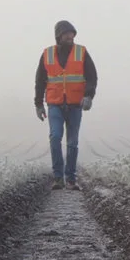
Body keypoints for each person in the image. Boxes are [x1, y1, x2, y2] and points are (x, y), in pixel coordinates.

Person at [34, 19, 97, 190]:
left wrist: (89, 96)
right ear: (58, 36)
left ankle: (70, 179)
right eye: (67, 34)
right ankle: (57, 178)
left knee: (72, 142)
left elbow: (92, 76)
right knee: (55, 137)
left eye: (72, 34)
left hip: (75, 105)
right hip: (54, 105)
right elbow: (40, 81)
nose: (71, 37)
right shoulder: (47, 54)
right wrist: (38, 105)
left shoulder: (81, 52)